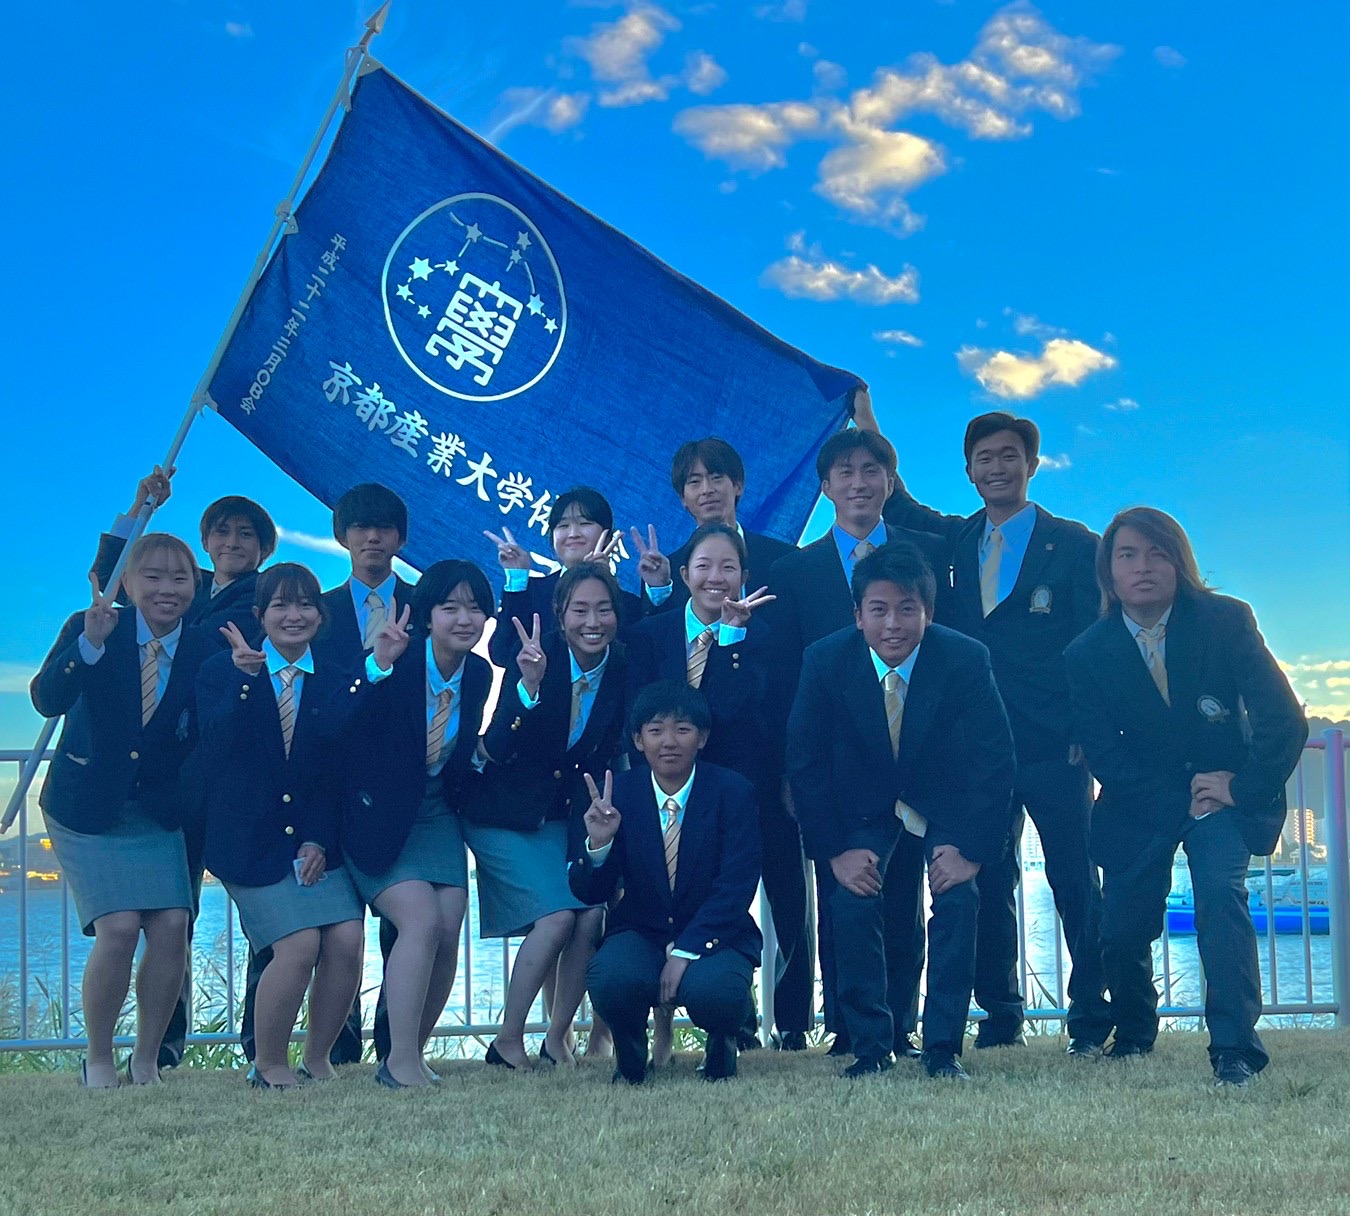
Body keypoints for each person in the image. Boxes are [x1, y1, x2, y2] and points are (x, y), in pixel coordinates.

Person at [869, 399, 1112, 1054]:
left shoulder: (1076, 545)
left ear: (1032, 464)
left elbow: (1095, 644)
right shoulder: (956, 540)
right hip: (976, 747)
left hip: (1054, 745)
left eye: (1010, 455)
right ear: (970, 472)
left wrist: (1086, 728)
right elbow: (898, 501)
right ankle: (1001, 1014)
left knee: (1074, 879)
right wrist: (866, 420)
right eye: (984, 459)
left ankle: (1093, 1015)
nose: (997, 467)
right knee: (988, 878)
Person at [1065, 507, 1306, 1087]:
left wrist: (1239, 788)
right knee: (1121, 924)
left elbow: (1284, 720)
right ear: (1109, 570)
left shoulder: (1226, 621)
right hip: (1139, 799)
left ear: (1180, 563)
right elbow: (1103, 751)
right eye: (1128, 555)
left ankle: (1235, 1050)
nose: (1143, 567)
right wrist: (1178, 800)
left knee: (1220, 898)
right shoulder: (1086, 652)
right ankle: (1134, 1031)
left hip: (1223, 793)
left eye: (1158, 553)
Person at [788, 544, 1015, 1080]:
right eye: (879, 609)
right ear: (858, 615)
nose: (893, 624)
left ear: (927, 613)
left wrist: (971, 852)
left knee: (958, 899)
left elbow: (995, 759)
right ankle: (871, 1045)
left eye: (907, 609)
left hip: (943, 798)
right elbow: (805, 762)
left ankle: (942, 1048)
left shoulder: (965, 658)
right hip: (862, 805)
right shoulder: (825, 660)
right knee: (852, 900)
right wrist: (836, 852)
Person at [764, 427, 950, 1058]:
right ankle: (849, 1024)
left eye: (871, 470)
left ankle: (901, 1023)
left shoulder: (929, 554)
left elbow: (946, 655)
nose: (858, 483)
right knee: (843, 893)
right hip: (835, 764)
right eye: (844, 473)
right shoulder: (795, 571)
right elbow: (787, 677)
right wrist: (794, 772)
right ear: (825, 487)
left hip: (914, 755)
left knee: (904, 899)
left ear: (890, 482)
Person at [89, 467, 278, 1068]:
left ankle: (261, 1040)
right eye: (222, 532)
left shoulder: (268, 597)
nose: (232, 542)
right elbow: (114, 580)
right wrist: (138, 509)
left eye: (246, 534)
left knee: (259, 915)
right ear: (206, 541)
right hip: (176, 779)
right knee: (175, 916)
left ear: (264, 548)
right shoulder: (185, 584)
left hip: (238, 775)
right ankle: (165, 1044)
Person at [31, 534, 218, 1087]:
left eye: (180, 578)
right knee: (117, 927)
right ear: (128, 584)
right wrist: (87, 646)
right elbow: (46, 699)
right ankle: (98, 1058)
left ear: (195, 586)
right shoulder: (93, 627)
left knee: (172, 926)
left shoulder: (205, 647)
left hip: (155, 811)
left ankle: (146, 1059)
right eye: (152, 577)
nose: (166, 589)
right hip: (85, 807)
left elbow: (209, 733)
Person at [626, 524, 807, 1054]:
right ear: (685, 574)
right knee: (678, 897)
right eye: (704, 566)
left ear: (744, 575)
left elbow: (729, 711)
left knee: (765, 896)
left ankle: (782, 1022)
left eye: (728, 567)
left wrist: (730, 639)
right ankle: (705, 1022)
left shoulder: (762, 636)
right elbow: (640, 718)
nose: (716, 577)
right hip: (669, 791)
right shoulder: (651, 634)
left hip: (745, 790)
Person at [197, 563, 378, 1089]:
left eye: (304, 605)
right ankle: (269, 1063)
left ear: (320, 616)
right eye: (280, 605)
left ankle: (318, 1059)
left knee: (346, 937)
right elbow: (214, 749)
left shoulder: (336, 678)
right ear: (260, 615)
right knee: (298, 945)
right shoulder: (222, 670)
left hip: (314, 839)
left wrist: (318, 838)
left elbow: (336, 770)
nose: (293, 615)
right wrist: (245, 681)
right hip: (246, 841)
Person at [462, 563, 630, 1070]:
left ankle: (557, 1039)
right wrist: (527, 689)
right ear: (560, 614)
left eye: (603, 609)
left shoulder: (623, 665)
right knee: (556, 918)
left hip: (564, 816)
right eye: (580, 610)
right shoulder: (536, 658)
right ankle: (507, 1041)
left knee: (590, 915)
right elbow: (494, 747)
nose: (592, 622)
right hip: (500, 813)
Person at [343, 560, 494, 1087]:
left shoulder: (478, 674)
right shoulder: (394, 658)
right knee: (421, 920)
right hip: (376, 815)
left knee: (449, 928)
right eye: (450, 607)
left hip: (434, 813)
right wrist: (378, 666)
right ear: (427, 615)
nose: (464, 619)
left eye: (475, 608)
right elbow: (342, 725)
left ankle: (408, 1052)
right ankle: (400, 1060)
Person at [571, 681, 763, 1084]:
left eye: (683, 729)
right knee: (611, 978)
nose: (669, 742)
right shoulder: (616, 796)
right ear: (638, 740)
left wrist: (687, 950)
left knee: (718, 992)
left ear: (702, 737)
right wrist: (599, 845)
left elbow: (736, 885)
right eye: (656, 730)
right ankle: (630, 1052)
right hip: (641, 930)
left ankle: (722, 1043)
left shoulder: (733, 792)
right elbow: (590, 892)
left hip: (715, 933)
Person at [484, 486, 653, 669]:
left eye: (584, 523)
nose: (573, 534)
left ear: (607, 537)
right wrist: (517, 578)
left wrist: (600, 584)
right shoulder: (530, 591)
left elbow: (633, 661)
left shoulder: (627, 604)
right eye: (563, 526)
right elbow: (501, 654)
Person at [644, 437, 796, 616]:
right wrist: (660, 589)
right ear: (683, 498)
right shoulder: (667, 573)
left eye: (716, 478)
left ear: (738, 486)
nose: (707, 490)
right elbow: (659, 629)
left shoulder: (785, 559)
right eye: (695, 482)